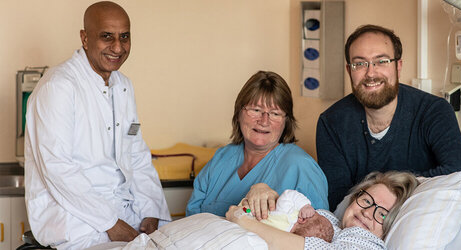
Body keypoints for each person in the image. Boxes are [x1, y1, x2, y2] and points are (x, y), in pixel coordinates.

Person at [24, 2, 170, 249]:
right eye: (106, 37)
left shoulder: (124, 85)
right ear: (85, 38)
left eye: (124, 37)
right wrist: (111, 223)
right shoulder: (59, 86)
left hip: (124, 216)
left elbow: (136, 155)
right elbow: (58, 168)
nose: (118, 47)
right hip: (76, 222)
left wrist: (151, 210)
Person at [315, 24, 461, 210]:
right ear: (350, 71)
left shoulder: (434, 111)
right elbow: (338, 199)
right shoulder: (332, 123)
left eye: (381, 61)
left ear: (398, 66)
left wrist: (378, 194)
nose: (371, 73)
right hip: (360, 228)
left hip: (419, 218)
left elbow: (460, 175)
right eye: (360, 64)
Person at [186, 70, 329, 217]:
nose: (264, 121)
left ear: (286, 121)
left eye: (275, 113)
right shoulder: (221, 158)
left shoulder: (301, 167)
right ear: (239, 113)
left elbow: (320, 232)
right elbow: (191, 219)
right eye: (256, 110)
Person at [226, 171, 419, 250]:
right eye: (366, 200)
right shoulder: (328, 218)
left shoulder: (370, 244)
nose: (368, 212)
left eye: (382, 213)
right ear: (354, 198)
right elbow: (283, 216)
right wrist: (261, 191)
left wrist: (243, 221)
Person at [242, 189, 333, 242]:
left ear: (302, 219)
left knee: (246, 208)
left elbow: (288, 194)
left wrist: (305, 205)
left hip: (252, 211)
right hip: (249, 221)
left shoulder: (288, 214)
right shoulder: (283, 238)